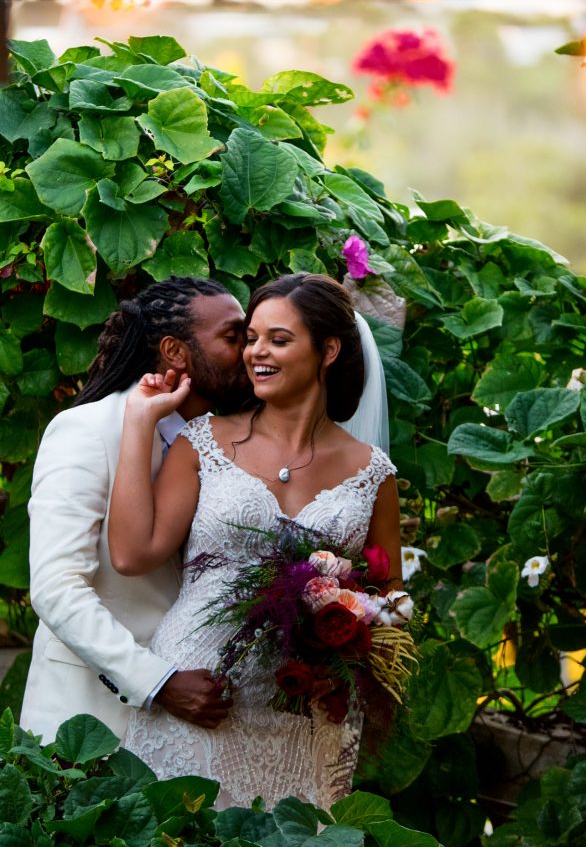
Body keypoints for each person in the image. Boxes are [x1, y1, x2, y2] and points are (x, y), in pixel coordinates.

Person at [108, 272, 401, 810]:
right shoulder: (203, 442)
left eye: (278, 340)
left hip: (305, 714)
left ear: (328, 350)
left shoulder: (372, 474)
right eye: (251, 338)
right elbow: (131, 554)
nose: (256, 352)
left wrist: (348, 661)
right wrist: (139, 422)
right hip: (197, 697)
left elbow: (393, 603)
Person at [20, 276, 251, 742]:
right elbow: (56, 588)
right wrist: (156, 681)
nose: (251, 351)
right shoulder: (85, 430)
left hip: (207, 725)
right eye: (234, 336)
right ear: (175, 351)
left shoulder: (233, 442)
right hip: (91, 718)